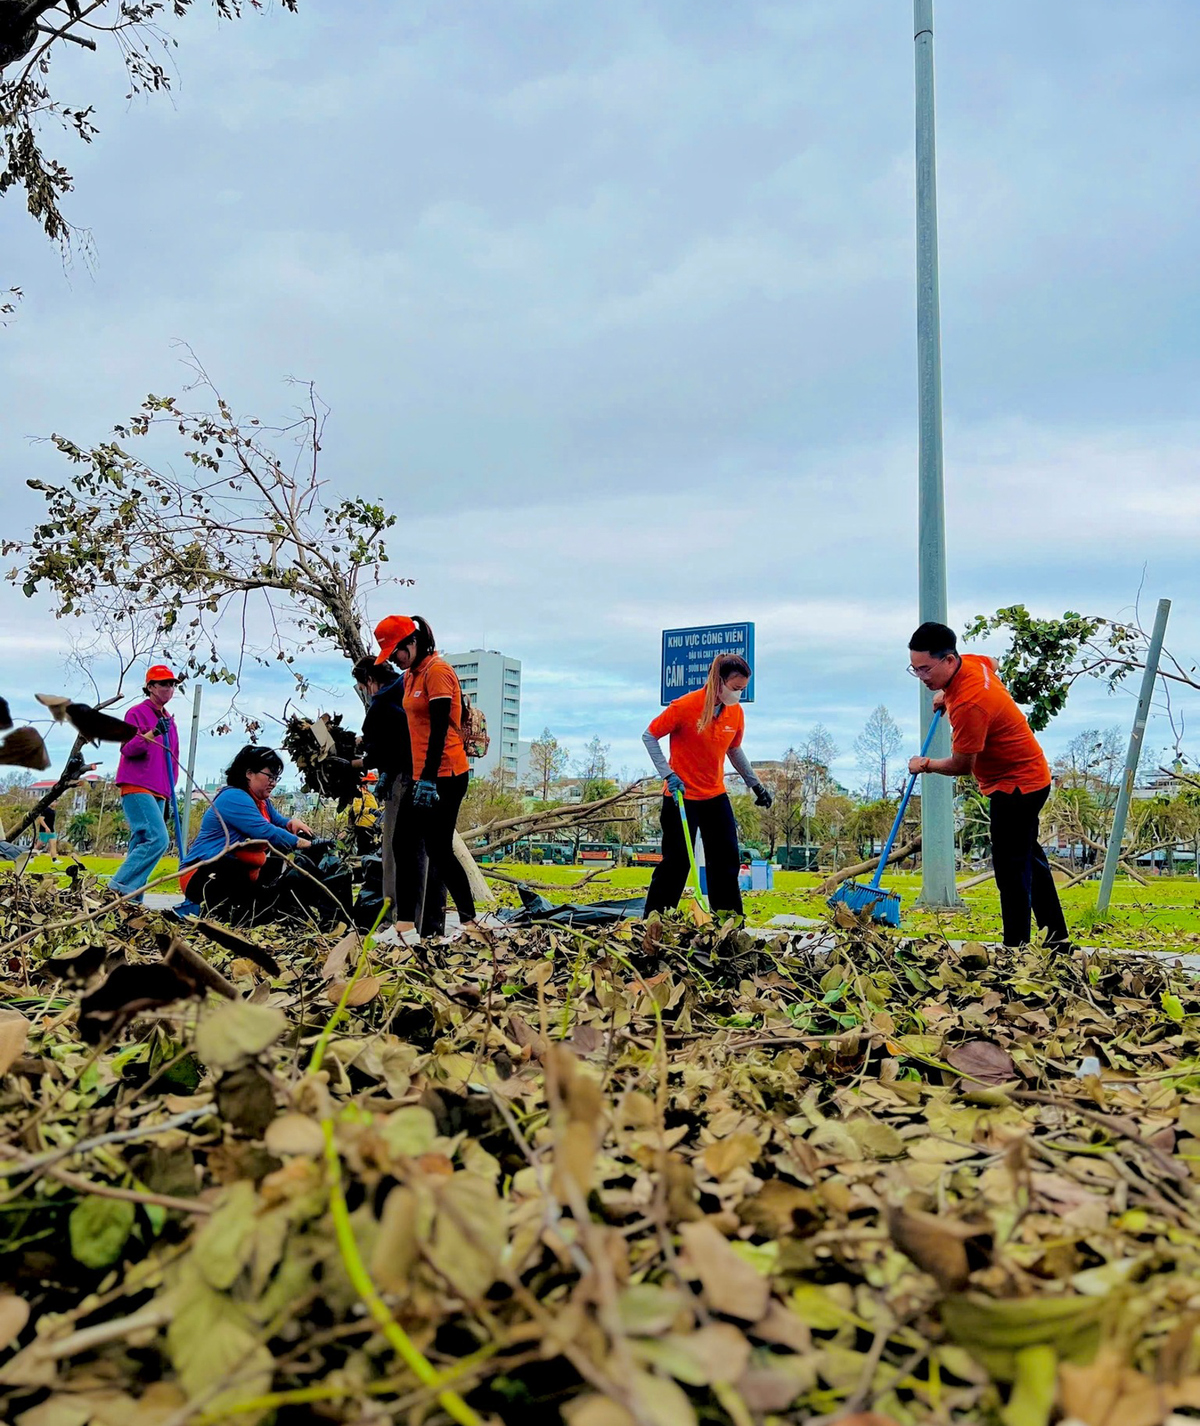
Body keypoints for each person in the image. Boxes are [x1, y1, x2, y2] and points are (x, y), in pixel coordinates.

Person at [906, 621, 1069, 950]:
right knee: (1029, 860)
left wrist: (924, 765)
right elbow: (993, 663)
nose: (922, 677)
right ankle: (1057, 938)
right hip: (1031, 774)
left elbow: (963, 765)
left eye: (926, 669)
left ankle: (1015, 949)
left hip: (1016, 786)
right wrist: (946, 695)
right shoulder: (973, 664)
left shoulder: (970, 704)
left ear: (949, 661)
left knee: (1011, 870)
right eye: (915, 669)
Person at [641, 653, 773, 918]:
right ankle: (655, 921)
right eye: (736, 688)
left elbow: (733, 749)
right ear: (719, 680)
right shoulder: (685, 706)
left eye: (743, 689)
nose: (738, 694)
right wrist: (668, 774)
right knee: (676, 863)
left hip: (715, 796)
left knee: (726, 862)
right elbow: (650, 735)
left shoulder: (735, 712)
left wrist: (755, 784)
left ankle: (728, 922)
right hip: (681, 795)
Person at [373, 614, 477, 935]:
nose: (394, 659)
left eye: (397, 652)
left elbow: (439, 729)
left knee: (439, 850)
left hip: (445, 774)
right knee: (401, 843)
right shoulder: (412, 675)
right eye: (389, 656)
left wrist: (430, 778)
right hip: (422, 776)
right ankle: (404, 925)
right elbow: (385, 701)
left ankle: (470, 922)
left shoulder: (438, 672)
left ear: (412, 642)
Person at [177, 745, 314, 922]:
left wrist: (292, 823)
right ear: (249, 773)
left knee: (276, 875)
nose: (273, 782)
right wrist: (304, 844)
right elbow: (265, 831)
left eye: (276, 777)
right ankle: (220, 915)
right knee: (241, 879)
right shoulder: (233, 797)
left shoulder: (263, 802)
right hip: (201, 873)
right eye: (269, 776)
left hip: (236, 871)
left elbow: (278, 822)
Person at [108, 664, 181, 903]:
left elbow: (173, 759)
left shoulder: (169, 720)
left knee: (141, 841)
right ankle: (117, 889)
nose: (169, 688)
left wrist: (170, 795)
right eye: (164, 684)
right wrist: (153, 733)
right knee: (157, 839)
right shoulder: (136, 713)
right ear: (150, 687)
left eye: (172, 684)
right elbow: (128, 748)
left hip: (160, 790)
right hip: (137, 785)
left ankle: (131, 903)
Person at [349, 654, 415, 917]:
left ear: (369, 680)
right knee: (421, 854)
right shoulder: (405, 687)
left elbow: (381, 751)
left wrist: (352, 764)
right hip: (425, 775)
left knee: (394, 853)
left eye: (364, 688)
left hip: (401, 779)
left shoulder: (383, 701)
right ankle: (424, 920)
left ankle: (396, 917)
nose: (366, 693)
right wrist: (363, 742)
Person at [350, 772, 381, 855]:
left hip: (371, 827)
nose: (373, 785)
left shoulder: (371, 795)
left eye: (374, 783)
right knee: (363, 851)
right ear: (365, 784)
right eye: (371, 783)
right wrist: (369, 810)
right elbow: (356, 809)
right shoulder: (360, 794)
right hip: (362, 828)